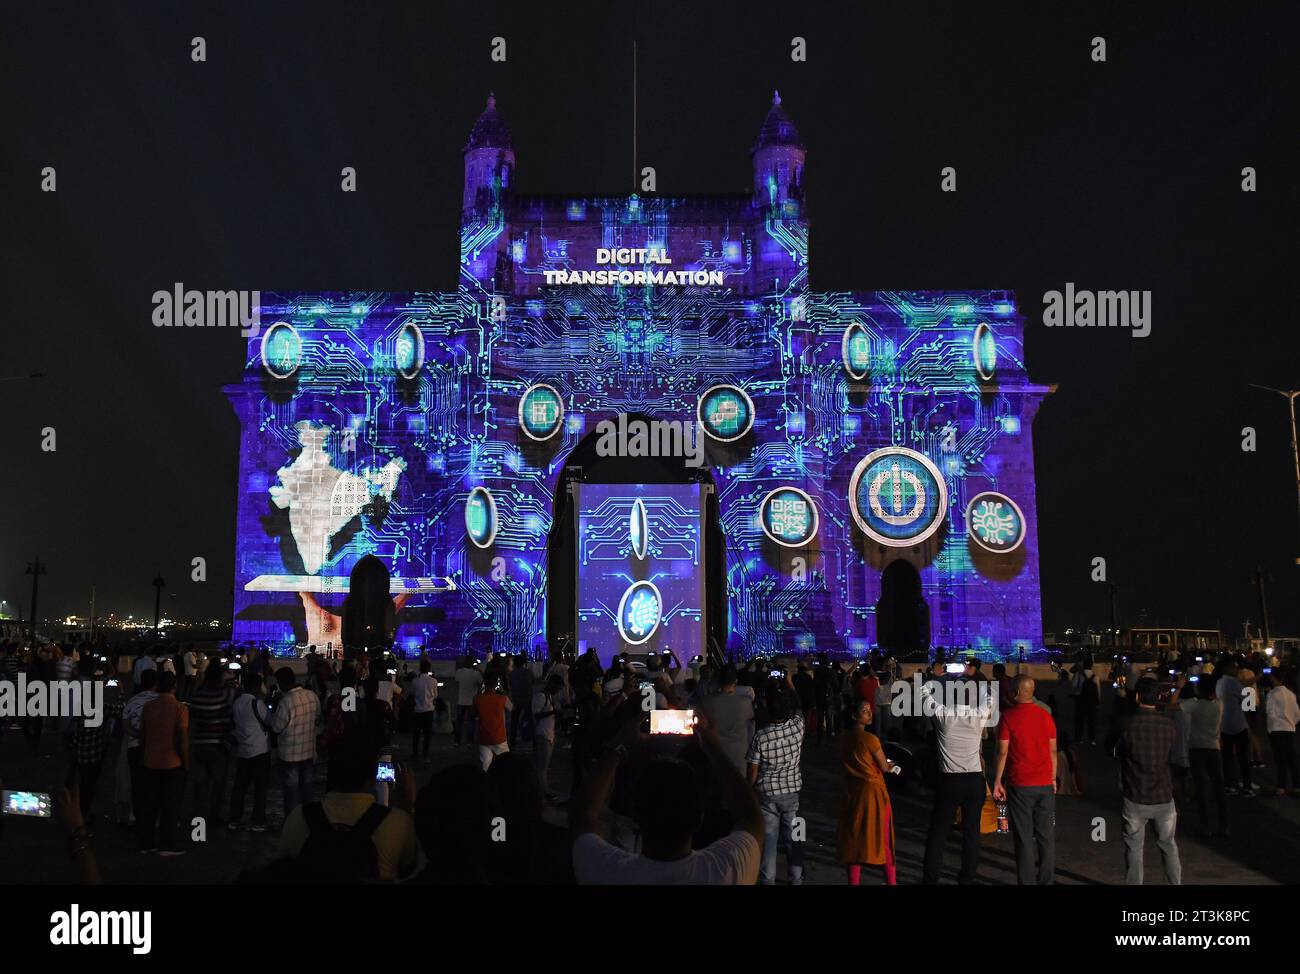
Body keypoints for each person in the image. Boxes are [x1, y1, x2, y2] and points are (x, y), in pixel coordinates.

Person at [571, 715, 763, 884]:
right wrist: (713, 748)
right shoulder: (727, 871)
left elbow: (583, 814)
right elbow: (751, 815)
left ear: (636, 815)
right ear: (699, 819)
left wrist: (618, 747)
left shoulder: (606, 871)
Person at [278, 739, 418, 882]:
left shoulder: (298, 818)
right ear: (371, 778)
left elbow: (283, 866)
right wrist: (407, 806)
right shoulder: (397, 823)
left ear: (330, 775)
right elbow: (408, 867)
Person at [1111, 678, 1181, 885]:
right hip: (1163, 794)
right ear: (1158, 697)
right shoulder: (1169, 724)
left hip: (1135, 793)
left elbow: (1112, 749)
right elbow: (1173, 755)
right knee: (1168, 845)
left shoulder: (1127, 724)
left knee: (1134, 847)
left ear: (1137, 697)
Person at [923, 675, 992, 885]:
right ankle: (966, 878)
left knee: (939, 832)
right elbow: (990, 699)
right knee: (971, 833)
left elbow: (924, 696)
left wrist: (929, 683)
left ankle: (931, 878)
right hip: (974, 780)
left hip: (950, 780)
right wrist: (983, 689)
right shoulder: (979, 714)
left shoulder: (943, 714)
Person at [993, 675, 1057, 885]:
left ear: (1017, 692)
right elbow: (1053, 750)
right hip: (1044, 783)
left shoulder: (1009, 717)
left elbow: (1003, 753)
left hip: (1020, 783)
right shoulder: (1046, 715)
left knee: (1023, 836)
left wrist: (997, 781)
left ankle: (1027, 881)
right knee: (1046, 837)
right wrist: (1052, 778)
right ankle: (1046, 880)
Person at [747, 677, 806, 885]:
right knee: (795, 840)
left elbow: (753, 771)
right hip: (792, 794)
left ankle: (767, 880)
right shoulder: (798, 728)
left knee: (769, 841)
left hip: (767, 794)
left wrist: (749, 789)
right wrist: (790, 683)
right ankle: (797, 878)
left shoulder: (760, 736)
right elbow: (799, 706)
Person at [837, 697, 897, 885]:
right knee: (884, 841)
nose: (870, 713)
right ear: (855, 715)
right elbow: (883, 766)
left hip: (852, 792)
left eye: (869, 709)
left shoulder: (844, 737)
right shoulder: (870, 739)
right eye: (865, 710)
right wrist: (890, 764)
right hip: (873, 793)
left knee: (854, 842)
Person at [137, 671, 189, 855]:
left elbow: (143, 735)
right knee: (170, 806)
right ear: (175, 687)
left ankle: (147, 842)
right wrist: (186, 760)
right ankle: (167, 844)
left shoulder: (148, 707)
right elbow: (181, 737)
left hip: (150, 761)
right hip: (171, 762)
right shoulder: (180, 708)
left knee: (149, 805)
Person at [1175, 675, 1229, 837]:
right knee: (1218, 787)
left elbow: (1171, 705)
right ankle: (1224, 825)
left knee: (1201, 787)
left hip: (1197, 748)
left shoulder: (1195, 704)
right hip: (1214, 748)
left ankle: (1205, 825)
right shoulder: (1219, 705)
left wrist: (1178, 688)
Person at [269, 666, 321, 816]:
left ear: (282, 683)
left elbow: (276, 728)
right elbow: (317, 719)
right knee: (307, 791)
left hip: (289, 755)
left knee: (291, 794)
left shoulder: (285, 702)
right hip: (308, 752)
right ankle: (309, 823)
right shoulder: (312, 696)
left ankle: (292, 826)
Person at [188, 662, 234, 828]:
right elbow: (230, 714)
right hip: (218, 744)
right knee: (218, 783)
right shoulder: (224, 694)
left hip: (200, 744)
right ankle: (214, 817)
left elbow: (193, 720)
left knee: (200, 785)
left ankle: (198, 823)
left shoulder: (196, 695)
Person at [228, 670, 272, 831]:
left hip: (243, 750)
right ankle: (258, 821)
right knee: (260, 788)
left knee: (240, 786)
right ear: (257, 687)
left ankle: (234, 818)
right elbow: (269, 722)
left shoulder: (237, 702)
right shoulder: (257, 704)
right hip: (259, 750)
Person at [697, 665, 754, 774]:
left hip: (715, 754)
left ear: (717, 680)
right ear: (735, 681)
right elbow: (750, 725)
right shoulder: (745, 702)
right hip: (739, 755)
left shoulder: (706, 701)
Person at [1216, 660, 1255, 795]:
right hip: (1238, 724)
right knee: (1243, 757)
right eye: (1234, 666)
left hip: (1224, 725)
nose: (1236, 669)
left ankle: (1230, 784)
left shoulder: (1220, 682)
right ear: (1227, 668)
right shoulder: (1233, 683)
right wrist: (1249, 687)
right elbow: (1248, 702)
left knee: (1227, 758)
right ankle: (1246, 785)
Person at [1265, 668, 1300, 797]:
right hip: (1290, 729)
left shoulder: (1272, 694)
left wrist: (1270, 729)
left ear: (1274, 678)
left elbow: (1270, 714)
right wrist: (1291, 723)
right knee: (1292, 759)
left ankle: (1281, 786)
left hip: (1277, 730)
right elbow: (1297, 714)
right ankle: (1297, 786)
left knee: (1280, 760)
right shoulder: (1291, 694)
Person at [532, 673, 564, 801]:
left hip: (548, 735)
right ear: (552, 684)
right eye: (558, 688)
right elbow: (536, 715)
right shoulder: (540, 697)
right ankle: (543, 791)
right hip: (542, 735)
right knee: (542, 766)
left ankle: (543, 790)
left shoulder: (548, 696)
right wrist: (553, 712)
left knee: (544, 765)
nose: (558, 691)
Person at [474, 674, 513, 770]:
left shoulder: (477, 698)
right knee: (505, 763)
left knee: (486, 765)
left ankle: (487, 782)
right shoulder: (502, 699)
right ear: (496, 685)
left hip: (484, 737)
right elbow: (511, 708)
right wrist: (503, 692)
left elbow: (473, 714)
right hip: (499, 736)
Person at [408, 659, 438, 762]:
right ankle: (425, 755)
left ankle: (415, 754)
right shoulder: (433, 681)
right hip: (429, 710)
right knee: (427, 735)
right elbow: (435, 696)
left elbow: (411, 694)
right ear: (429, 669)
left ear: (420, 669)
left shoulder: (415, 681)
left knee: (416, 734)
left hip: (418, 710)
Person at [1070, 654, 1101, 744]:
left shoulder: (1079, 675)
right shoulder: (1095, 677)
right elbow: (1098, 691)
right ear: (1091, 666)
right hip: (1091, 701)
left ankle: (1079, 738)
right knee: (1092, 721)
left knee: (1080, 720)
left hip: (1080, 699)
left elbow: (1073, 686)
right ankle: (1092, 739)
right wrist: (1098, 702)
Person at [453, 655, 483, 746]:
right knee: (471, 722)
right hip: (472, 701)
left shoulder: (459, 672)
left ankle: (457, 741)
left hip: (461, 700)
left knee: (459, 722)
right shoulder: (476, 673)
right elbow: (481, 683)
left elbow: (456, 680)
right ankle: (470, 741)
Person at [508, 654, 535, 746]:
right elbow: (533, 682)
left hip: (516, 699)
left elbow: (510, 686)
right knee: (530, 719)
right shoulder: (529, 672)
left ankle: (512, 740)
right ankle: (533, 740)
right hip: (527, 698)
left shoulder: (512, 674)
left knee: (514, 720)